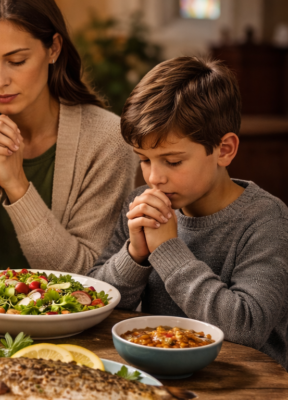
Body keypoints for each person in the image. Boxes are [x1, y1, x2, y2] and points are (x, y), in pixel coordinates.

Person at [88, 57, 288, 370]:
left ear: (224, 150)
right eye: (144, 159)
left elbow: (247, 328)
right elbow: (96, 300)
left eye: (173, 161)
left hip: (249, 385)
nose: (154, 177)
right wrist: (135, 255)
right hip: (157, 375)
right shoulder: (140, 202)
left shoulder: (265, 219)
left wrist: (167, 251)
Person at [0, 0, 137, 273]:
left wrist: (18, 187)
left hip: (62, 317)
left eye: (16, 61)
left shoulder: (107, 140)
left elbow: (90, 277)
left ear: (53, 48)